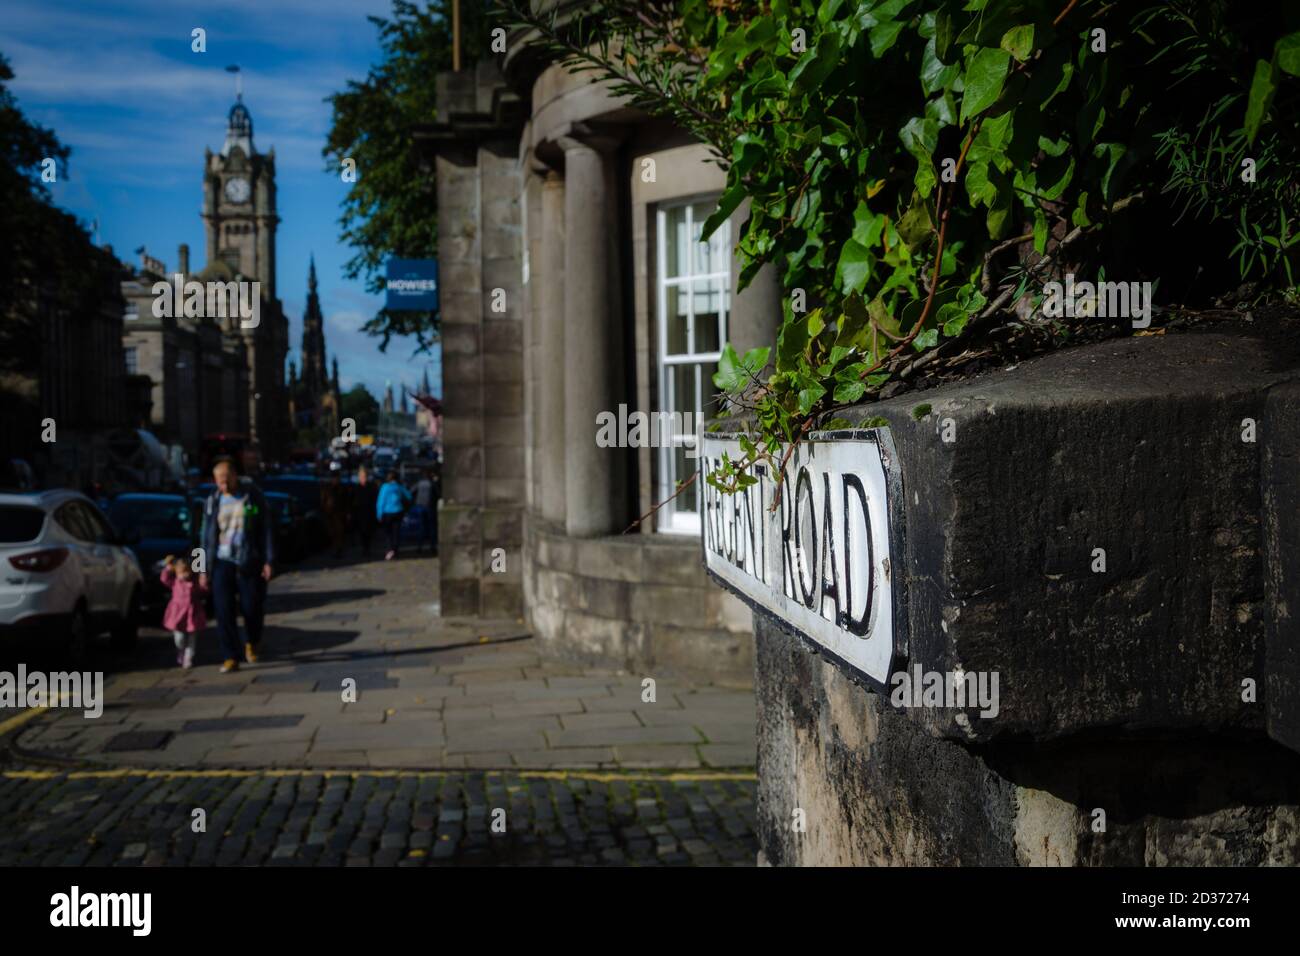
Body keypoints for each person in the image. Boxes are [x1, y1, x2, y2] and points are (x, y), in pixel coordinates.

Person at [199, 458, 275, 672]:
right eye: (218, 481)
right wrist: (201, 569)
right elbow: (203, 537)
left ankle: (252, 641)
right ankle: (230, 656)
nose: (223, 485)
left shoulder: (252, 495)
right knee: (223, 611)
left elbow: (266, 528)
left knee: (251, 607)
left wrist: (269, 560)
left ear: (234, 475)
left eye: (226, 480)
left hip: (249, 559)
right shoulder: (212, 501)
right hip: (221, 561)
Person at [160, 555, 207, 669]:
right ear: (176, 572)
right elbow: (164, 579)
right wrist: (168, 567)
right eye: (181, 572)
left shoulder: (194, 582)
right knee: (179, 638)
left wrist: (203, 581)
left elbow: (204, 590)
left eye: (186, 571)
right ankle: (181, 651)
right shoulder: (175, 582)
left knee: (192, 637)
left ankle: (188, 657)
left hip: (192, 613)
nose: (184, 574)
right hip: (178, 614)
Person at [375, 471, 411, 561]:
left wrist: (379, 514)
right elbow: (409, 496)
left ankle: (389, 550)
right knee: (396, 532)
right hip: (398, 512)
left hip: (387, 513)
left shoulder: (385, 487)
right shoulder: (399, 486)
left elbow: (381, 501)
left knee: (388, 533)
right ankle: (395, 550)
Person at [350, 465, 377, 558]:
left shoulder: (372, 487)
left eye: (364, 476)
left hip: (369, 513)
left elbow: (375, 499)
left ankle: (367, 548)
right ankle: (364, 548)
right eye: (361, 476)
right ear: (358, 477)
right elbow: (352, 501)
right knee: (362, 532)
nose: (363, 478)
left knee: (368, 532)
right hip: (359, 513)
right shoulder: (356, 487)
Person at [411, 468, 438, 555]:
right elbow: (438, 494)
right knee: (431, 528)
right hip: (430, 507)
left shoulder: (419, 483)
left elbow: (411, 491)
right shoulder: (432, 484)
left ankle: (419, 547)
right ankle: (432, 547)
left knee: (421, 527)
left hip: (420, 506)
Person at [320, 473, 348, 558]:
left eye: (337, 479)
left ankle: (338, 549)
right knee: (332, 533)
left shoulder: (341, 488)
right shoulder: (327, 488)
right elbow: (323, 500)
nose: (336, 480)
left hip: (339, 514)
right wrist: (325, 510)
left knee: (339, 532)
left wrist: (346, 512)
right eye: (335, 479)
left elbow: (345, 501)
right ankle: (335, 549)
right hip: (330, 514)